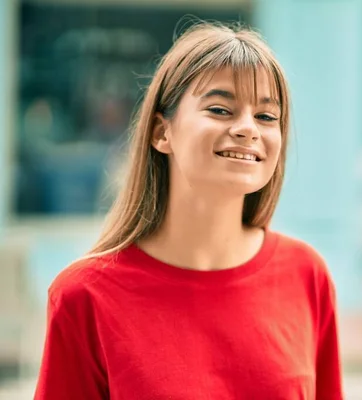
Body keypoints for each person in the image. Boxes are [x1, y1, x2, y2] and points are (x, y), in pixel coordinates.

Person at [34, 21, 343, 400]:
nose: (248, 129)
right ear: (162, 133)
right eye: (220, 109)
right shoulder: (83, 297)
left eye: (266, 116)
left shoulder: (306, 274)